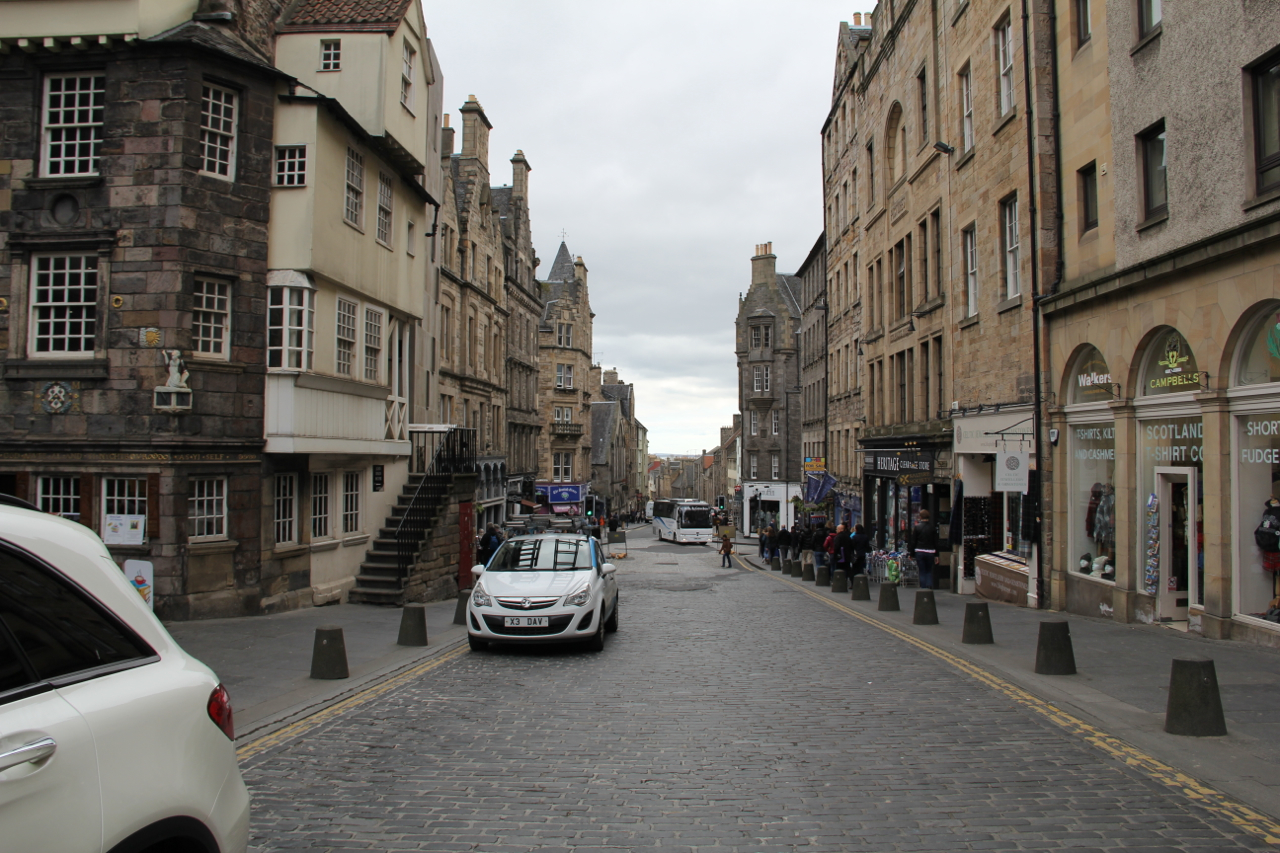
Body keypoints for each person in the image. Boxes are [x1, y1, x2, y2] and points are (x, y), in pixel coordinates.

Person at [909, 509, 939, 590]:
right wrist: (937, 555)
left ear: (920, 517)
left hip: (919, 551)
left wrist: (911, 554)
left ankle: (923, 589)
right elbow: (936, 542)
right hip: (930, 552)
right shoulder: (932, 528)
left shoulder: (917, 527)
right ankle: (929, 587)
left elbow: (913, 541)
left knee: (922, 571)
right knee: (929, 570)